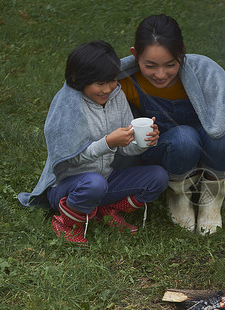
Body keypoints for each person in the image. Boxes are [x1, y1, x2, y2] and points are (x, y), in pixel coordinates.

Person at [118, 14, 225, 234]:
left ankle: (212, 195)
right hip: (167, 151)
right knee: (185, 138)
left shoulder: (206, 77)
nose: (160, 74)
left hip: (208, 149)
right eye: (150, 66)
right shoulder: (127, 81)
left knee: (221, 137)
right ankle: (178, 194)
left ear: (181, 53)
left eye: (170, 64)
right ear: (135, 55)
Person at [18, 41, 169, 243]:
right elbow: (69, 159)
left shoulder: (117, 96)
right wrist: (108, 142)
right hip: (67, 186)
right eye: (100, 84)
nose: (107, 89)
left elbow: (126, 149)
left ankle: (105, 211)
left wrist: (144, 141)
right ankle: (66, 221)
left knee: (158, 176)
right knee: (93, 183)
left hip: (106, 180)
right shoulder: (69, 106)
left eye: (113, 80)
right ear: (77, 80)